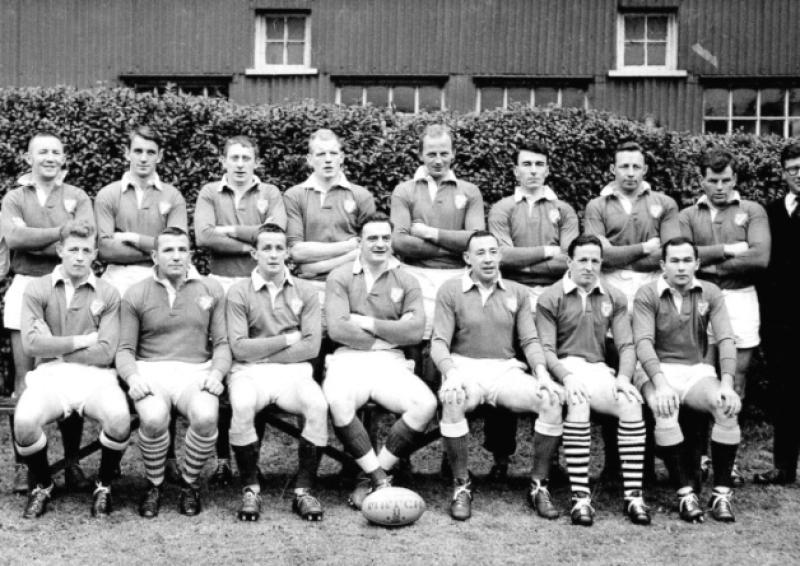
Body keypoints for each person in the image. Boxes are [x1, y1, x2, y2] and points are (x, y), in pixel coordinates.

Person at [431, 230, 564, 521]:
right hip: (464, 368)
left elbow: (529, 340)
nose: (488, 259)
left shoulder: (517, 291)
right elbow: (439, 341)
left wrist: (542, 373)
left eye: (493, 252)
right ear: (467, 258)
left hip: (504, 370)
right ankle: (461, 486)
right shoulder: (450, 290)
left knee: (550, 400)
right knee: (453, 399)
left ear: (501, 255)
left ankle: (539, 485)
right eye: (480, 253)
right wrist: (450, 373)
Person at [14, 221, 129, 518]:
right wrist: (80, 340)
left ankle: (103, 485)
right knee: (25, 423)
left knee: (118, 420)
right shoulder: (36, 289)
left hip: (97, 377)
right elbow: (31, 345)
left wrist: (54, 344)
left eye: (86, 250)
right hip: (50, 376)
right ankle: (42, 484)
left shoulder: (109, 292)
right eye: (73, 249)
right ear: (60, 250)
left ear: (95, 254)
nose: (79, 256)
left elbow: (106, 350)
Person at [1, 132, 95, 494]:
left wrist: (43, 235)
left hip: (65, 286)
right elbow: (15, 239)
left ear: (64, 157)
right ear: (28, 158)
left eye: (56, 151)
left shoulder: (77, 196)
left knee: (68, 373)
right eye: (42, 151)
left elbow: (84, 240)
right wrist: (60, 232)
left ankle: (72, 463)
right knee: (24, 379)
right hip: (25, 285)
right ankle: (26, 466)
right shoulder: (14, 197)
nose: (49, 157)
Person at [95, 126, 188, 484]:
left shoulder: (173, 195)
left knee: (164, 359)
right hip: (118, 280)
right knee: (122, 359)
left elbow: (178, 245)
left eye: (151, 151)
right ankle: (115, 449)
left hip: (162, 282)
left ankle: (165, 455)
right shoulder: (108, 194)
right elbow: (104, 248)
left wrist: (132, 237)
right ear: (128, 153)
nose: (144, 158)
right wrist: (157, 246)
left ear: (160, 156)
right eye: (138, 151)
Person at [584, 140, 681, 482]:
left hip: (650, 287)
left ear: (645, 170)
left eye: (635, 167)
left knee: (649, 362)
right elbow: (600, 256)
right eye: (623, 166)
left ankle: (650, 463)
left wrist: (622, 251)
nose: (629, 173)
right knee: (615, 368)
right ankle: (615, 462)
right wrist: (643, 247)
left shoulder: (663, 203)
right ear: (613, 170)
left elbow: (669, 254)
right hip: (609, 287)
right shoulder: (598, 204)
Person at [116, 227, 230, 518]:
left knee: (206, 417)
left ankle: (189, 484)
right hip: (151, 370)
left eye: (182, 249)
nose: (176, 256)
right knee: (153, 419)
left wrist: (217, 373)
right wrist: (133, 378)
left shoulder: (211, 289)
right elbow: (125, 349)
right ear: (154, 256)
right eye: (168, 250)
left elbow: (222, 344)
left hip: (197, 371)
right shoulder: (136, 292)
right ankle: (154, 484)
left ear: (190, 254)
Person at [536, 235, 650, 526]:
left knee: (630, 403)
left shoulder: (614, 296)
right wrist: (567, 377)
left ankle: (633, 495)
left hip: (598, 370)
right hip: (564, 370)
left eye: (595, 261)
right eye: (582, 260)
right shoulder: (550, 296)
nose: (588, 267)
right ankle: (580, 496)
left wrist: (624, 378)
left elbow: (626, 345)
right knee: (578, 403)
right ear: (569, 262)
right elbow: (546, 350)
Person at [324, 213, 436, 509]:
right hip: (348, 359)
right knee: (338, 400)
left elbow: (414, 332)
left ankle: (372, 475)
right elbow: (337, 328)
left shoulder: (407, 279)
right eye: (372, 238)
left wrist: (367, 323)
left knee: (425, 404)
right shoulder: (340, 276)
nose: (380, 243)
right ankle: (378, 478)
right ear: (360, 243)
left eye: (385, 238)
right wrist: (389, 334)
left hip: (391, 361)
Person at [194, 135, 287, 486]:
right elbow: (203, 237)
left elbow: (276, 234)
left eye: (246, 157)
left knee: (253, 369)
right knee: (223, 366)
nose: (239, 163)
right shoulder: (209, 192)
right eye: (233, 157)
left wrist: (229, 229)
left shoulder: (271, 192)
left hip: (258, 287)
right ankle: (221, 460)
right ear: (224, 160)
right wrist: (253, 239)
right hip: (220, 283)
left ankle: (253, 455)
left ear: (256, 162)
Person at [486, 141, 578, 480]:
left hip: (556, 295)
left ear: (548, 169)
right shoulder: (502, 208)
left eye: (540, 164)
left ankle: (552, 458)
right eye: (527, 164)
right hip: (511, 293)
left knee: (554, 367)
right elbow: (502, 257)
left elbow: (568, 260)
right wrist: (545, 251)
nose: (533, 170)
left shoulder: (564, 210)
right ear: (516, 170)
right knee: (507, 366)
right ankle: (500, 457)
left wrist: (527, 257)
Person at [633, 237, 741, 523]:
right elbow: (643, 343)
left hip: (695, 370)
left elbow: (727, 338)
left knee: (725, 407)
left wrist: (727, 384)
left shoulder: (711, 292)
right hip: (654, 369)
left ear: (697, 263)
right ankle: (685, 494)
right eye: (674, 261)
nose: (681, 267)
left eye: (686, 261)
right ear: (663, 265)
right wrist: (661, 383)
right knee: (663, 406)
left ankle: (721, 493)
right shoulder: (647, 293)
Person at [679, 148, 769, 485]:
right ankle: (701, 455)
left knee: (737, 378)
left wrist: (710, 264)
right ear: (701, 180)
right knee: (702, 374)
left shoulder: (752, 210)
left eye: (726, 180)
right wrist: (732, 250)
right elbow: (683, 255)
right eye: (713, 180)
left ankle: (727, 459)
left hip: (742, 297)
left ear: (736, 180)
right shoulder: (689, 214)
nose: (720, 187)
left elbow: (760, 258)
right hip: (701, 297)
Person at [225, 224, 327, 521]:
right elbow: (239, 349)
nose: (273, 254)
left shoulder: (305, 290)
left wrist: (264, 352)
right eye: (266, 248)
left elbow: (311, 347)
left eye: (279, 248)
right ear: (254, 253)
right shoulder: (237, 292)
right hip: (248, 372)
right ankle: (250, 489)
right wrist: (286, 339)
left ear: (287, 253)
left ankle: (304, 491)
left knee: (318, 405)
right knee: (242, 405)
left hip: (293, 373)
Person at [753, 140, 800, 485]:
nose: (799, 174)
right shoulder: (768, 212)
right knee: (785, 392)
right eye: (793, 168)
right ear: (783, 173)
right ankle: (783, 466)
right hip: (780, 319)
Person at [284, 128, 376, 301]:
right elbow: (296, 252)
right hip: (306, 287)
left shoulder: (362, 196)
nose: (328, 160)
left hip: (351, 286)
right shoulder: (294, 195)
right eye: (320, 154)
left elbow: (370, 249)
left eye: (333, 153)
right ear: (309, 160)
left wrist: (314, 267)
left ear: (341, 158)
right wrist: (349, 247)